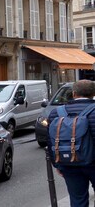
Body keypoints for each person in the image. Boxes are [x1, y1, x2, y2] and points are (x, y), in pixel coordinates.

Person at [47, 79, 95, 207]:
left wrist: (57, 164)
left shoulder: (56, 113)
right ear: (93, 93)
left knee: (77, 200)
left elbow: (50, 141)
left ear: (74, 94)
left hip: (69, 163)